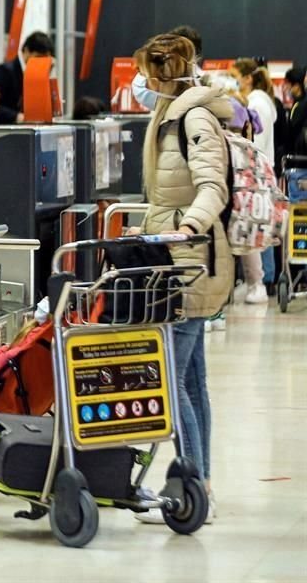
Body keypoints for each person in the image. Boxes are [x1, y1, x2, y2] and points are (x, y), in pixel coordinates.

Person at [129, 33, 233, 524]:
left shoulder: (192, 117)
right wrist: (151, 224)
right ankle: (201, 485)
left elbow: (212, 186)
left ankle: (191, 489)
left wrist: (186, 225)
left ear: (161, 74)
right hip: (182, 258)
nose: (140, 84)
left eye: (146, 73)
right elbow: (171, 192)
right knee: (191, 381)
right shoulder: (171, 114)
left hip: (189, 263)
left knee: (173, 382)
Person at [231, 58, 278, 299]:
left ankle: (264, 279)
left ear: (248, 77)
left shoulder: (257, 102)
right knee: (259, 225)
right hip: (258, 168)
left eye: (236, 75)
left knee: (257, 227)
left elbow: (255, 137)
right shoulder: (262, 100)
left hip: (254, 169)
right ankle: (261, 279)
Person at [0, 31, 54, 124]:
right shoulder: (4, 71)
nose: (40, 63)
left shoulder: (37, 74)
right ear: (26, 51)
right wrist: (17, 116)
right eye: (38, 57)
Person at [284, 66, 307, 155]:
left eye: (287, 84)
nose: (286, 87)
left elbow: (293, 133)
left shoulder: (300, 107)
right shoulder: (299, 103)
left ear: (296, 85)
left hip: (298, 156)